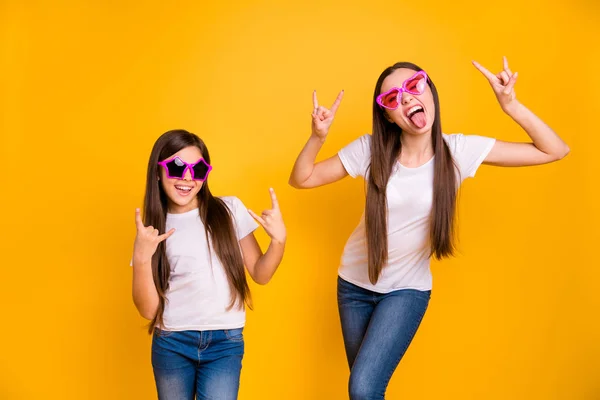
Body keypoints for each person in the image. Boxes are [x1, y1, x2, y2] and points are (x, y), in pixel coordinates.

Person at [288, 58, 569, 399]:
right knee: (367, 390)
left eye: (413, 86)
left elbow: (555, 150)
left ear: (429, 91)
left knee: (363, 388)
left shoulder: (458, 151)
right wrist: (318, 137)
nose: (405, 98)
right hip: (353, 286)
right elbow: (301, 179)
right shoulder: (370, 150)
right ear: (388, 116)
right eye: (392, 98)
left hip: (406, 290)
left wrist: (510, 105)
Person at [131, 129, 286, 399]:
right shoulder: (151, 232)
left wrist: (279, 242)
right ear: (157, 172)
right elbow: (148, 310)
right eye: (177, 167)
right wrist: (142, 257)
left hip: (224, 343)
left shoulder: (230, 210)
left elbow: (261, 273)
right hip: (172, 343)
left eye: (198, 169)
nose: (188, 177)